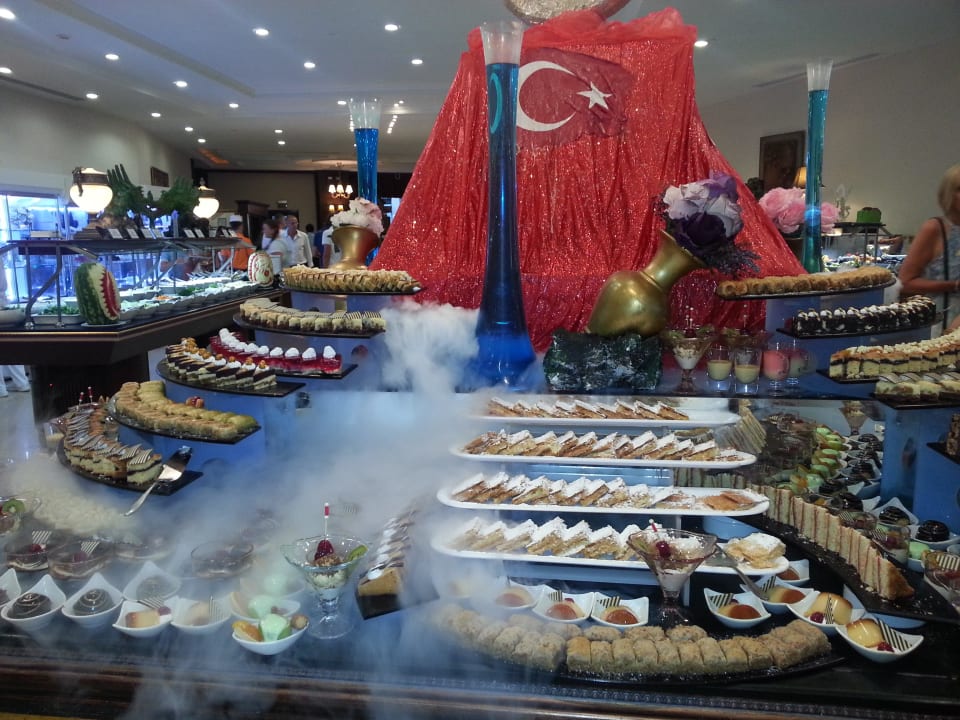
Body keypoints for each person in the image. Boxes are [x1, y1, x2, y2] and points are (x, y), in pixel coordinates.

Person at [899, 164, 960, 329]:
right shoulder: (935, 228)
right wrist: (953, 285)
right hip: (941, 321)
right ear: (949, 194)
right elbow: (905, 282)